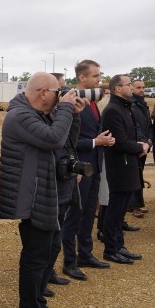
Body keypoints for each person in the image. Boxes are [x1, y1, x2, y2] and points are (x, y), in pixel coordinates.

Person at [0, 72, 83, 308]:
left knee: (47, 252)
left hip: (47, 192)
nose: (61, 97)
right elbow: (53, 139)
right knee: (34, 258)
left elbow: (65, 142)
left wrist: (74, 114)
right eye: (58, 93)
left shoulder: (37, 114)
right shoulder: (19, 116)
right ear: (43, 92)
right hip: (33, 196)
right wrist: (66, 109)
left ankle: (38, 305)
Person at [60, 60, 114, 282]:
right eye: (96, 76)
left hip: (95, 164)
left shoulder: (92, 102)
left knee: (89, 212)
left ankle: (85, 253)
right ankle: (69, 262)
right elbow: (66, 140)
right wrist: (94, 142)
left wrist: (103, 141)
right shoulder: (71, 101)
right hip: (79, 167)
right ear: (82, 78)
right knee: (74, 215)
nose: (99, 80)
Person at [100, 75, 148, 265]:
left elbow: (134, 132)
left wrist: (143, 143)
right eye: (128, 85)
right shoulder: (113, 110)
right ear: (117, 88)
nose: (131, 87)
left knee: (120, 211)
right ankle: (111, 249)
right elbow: (118, 141)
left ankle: (119, 246)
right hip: (119, 166)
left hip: (129, 164)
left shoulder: (125, 107)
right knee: (115, 210)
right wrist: (140, 148)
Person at [128, 79, 152, 219]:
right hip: (136, 144)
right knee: (135, 175)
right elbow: (135, 126)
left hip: (145, 144)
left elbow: (148, 124)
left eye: (143, 87)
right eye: (138, 87)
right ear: (132, 88)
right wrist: (143, 141)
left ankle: (134, 204)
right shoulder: (131, 104)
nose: (141, 89)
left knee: (139, 174)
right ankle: (135, 205)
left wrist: (150, 140)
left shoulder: (143, 104)